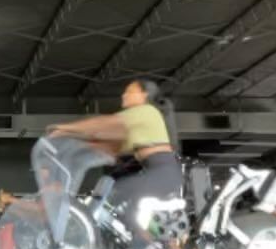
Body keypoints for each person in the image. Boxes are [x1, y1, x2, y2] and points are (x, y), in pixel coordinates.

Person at [44, 78, 181, 238]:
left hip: (163, 172)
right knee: (126, 215)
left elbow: (104, 124)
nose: (124, 95)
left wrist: (65, 128)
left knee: (113, 197)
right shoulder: (138, 123)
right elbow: (105, 141)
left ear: (144, 95)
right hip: (159, 172)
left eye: (130, 92)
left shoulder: (147, 111)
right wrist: (73, 140)